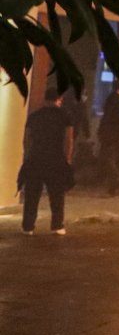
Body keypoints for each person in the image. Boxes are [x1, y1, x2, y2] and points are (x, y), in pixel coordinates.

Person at [18, 88, 75, 236]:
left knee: (32, 194)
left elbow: (27, 139)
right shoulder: (64, 116)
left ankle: (28, 226)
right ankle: (57, 225)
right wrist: (67, 158)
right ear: (59, 99)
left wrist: (28, 156)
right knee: (57, 194)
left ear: (44, 99)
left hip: (36, 158)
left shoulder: (34, 116)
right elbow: (69, 139)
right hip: (56, 159)